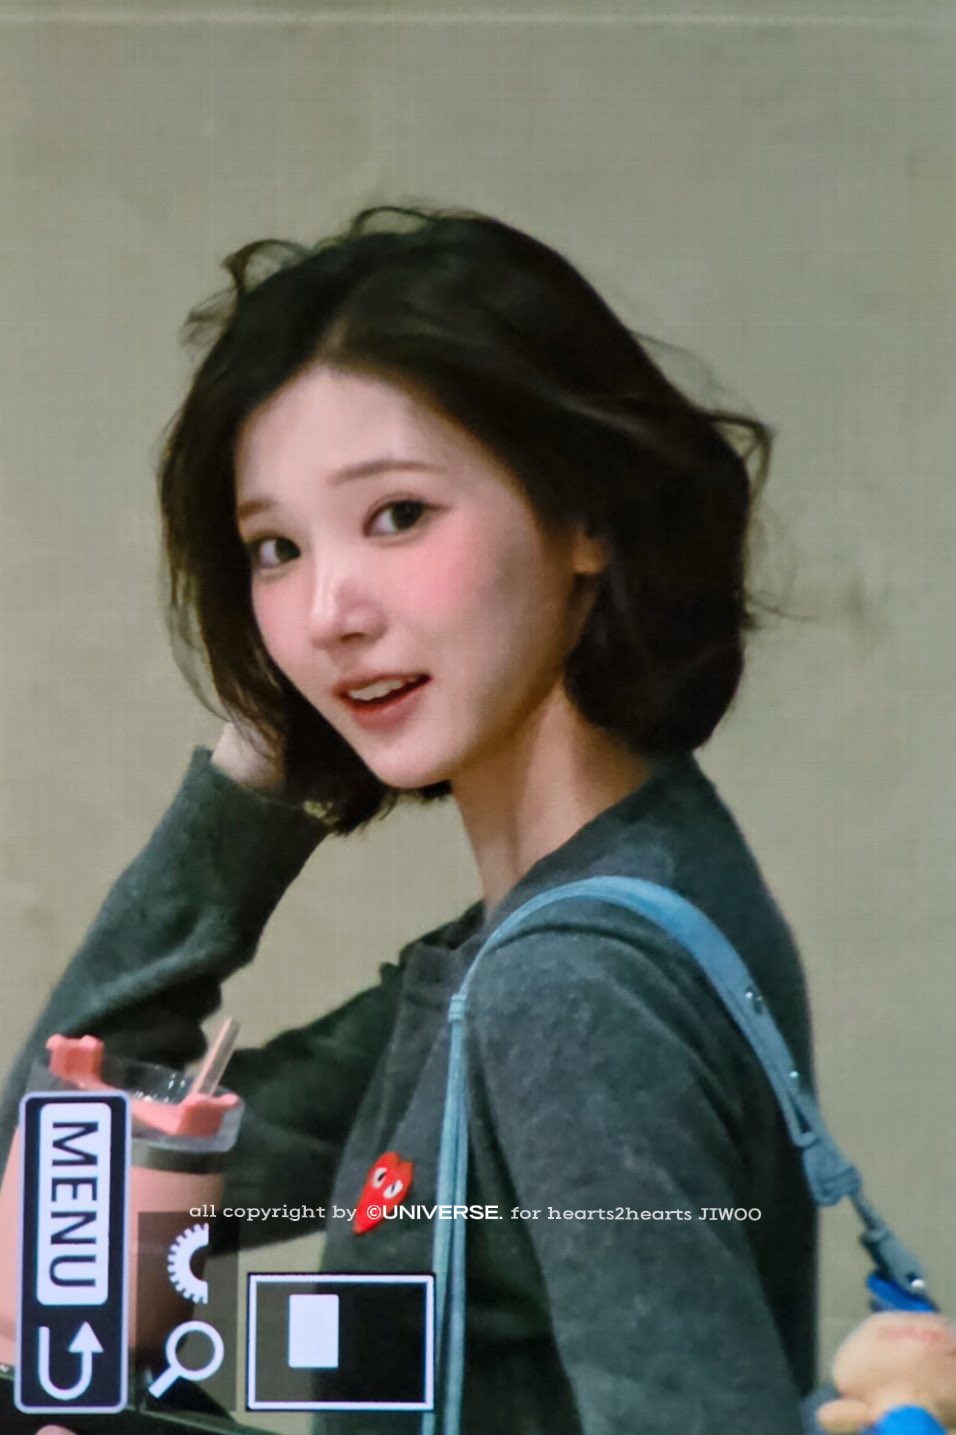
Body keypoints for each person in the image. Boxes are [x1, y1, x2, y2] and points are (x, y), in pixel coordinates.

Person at [5, 205, 817, 1433]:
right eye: (274, 548)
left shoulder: (568, 987)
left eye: (396, 516)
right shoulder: (531, 942)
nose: (327, 612)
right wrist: (253, 776)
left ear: (585, 516)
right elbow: (58, 1207)